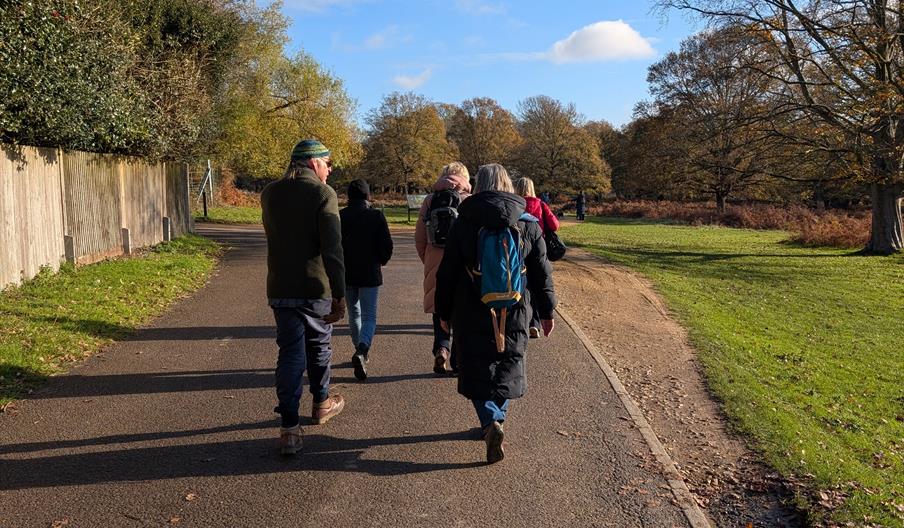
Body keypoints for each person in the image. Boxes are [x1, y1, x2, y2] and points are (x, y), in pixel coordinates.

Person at [434, 164, 556, 464]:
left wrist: (443, 312)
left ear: (478, 186)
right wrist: (547, 311)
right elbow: (542, 273)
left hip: (471, 305)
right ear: (508, 186)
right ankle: (498, 417)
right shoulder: (528, 222)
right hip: (516, 306)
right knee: (509, 362)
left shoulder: (464, 223)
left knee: (475, 365)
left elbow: (447, 272)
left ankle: (489, 421)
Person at [261, 139, 347, 456]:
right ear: (313, 163)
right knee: (318, 345)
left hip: (280, 287)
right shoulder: (322, 194)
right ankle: (322, 402)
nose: (330, 168)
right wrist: (340, 293)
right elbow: (332, 250)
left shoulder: (270, 193)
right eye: (327, 162)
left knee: (290, 353)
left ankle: (288, 427)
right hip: (315, 287)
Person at [415, 162, 471, 375]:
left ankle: (441, 347)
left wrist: (428, 259)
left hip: (435, 259)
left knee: (439, 307)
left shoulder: (430, 200)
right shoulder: (469, 201)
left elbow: (420, 237)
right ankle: (457, 360)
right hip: (462, 264)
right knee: (461, 310)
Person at [340, 179, 393, 381]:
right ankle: (363, 349)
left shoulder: (340, 216)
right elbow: (386, 244)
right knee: (370, 315)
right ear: (367, 196)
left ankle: (358, 348)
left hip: (347, 271)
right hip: (370, 271)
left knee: (354, 312)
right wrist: (382, 260)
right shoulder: (376, 215)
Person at [513, 177, 559, 339]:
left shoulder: (516, 205)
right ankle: (535, 323)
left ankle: (522, 317)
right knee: (539, 282)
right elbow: (554, 225)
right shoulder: (540, 204)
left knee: (525, 285)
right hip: (539, 246)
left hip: (520, 248)